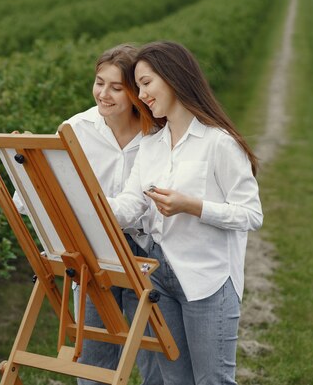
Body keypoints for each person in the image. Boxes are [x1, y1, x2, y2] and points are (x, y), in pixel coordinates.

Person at [107, 41, 263, 385]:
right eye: (138, 86)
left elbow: (251, 214)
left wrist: (191, 206)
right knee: (175, 381)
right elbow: (131, 205)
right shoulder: (151, 145)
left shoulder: (219, 142)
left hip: (207, 278)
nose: (142, 94)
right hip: (160, 277)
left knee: (212, 380)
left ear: (174, 76)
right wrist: (86, 202)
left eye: (146, 83)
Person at [13, 43, 164, 385]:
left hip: (149, 249)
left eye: (116, 87)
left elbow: (140, 204)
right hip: (93, 252)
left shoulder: (157, 133)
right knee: (95, 354)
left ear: (136, 92)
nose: (103, 94)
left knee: (155, 351)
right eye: (99, 82)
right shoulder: (77, 128)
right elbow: (29, 196)